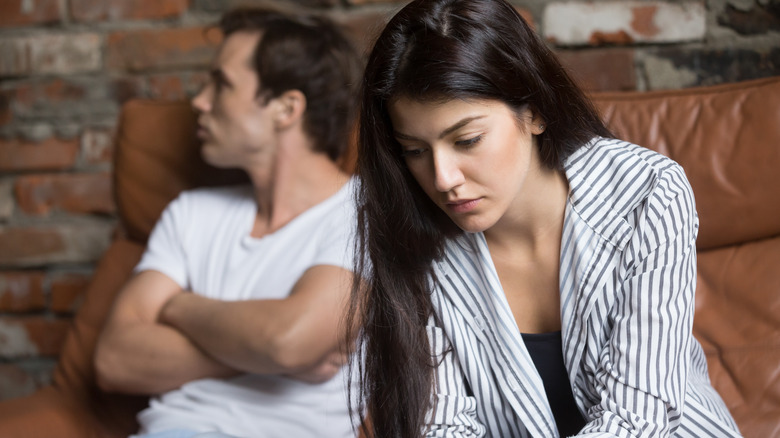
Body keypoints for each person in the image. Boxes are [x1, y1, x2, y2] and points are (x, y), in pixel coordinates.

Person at [346, 0, 743, 436]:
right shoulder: (412, 230)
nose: (443, 179)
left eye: (467, 139)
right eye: (415, 151)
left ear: (533, 111)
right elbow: (442, 426)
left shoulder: (646, 192)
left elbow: (635, 421)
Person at [94, 6, 361, 438]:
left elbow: (288, 341)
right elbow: (113, 359)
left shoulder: (364, 214)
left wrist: (176, 306)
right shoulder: (191, 212)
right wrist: (268, 356)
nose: (200, 101)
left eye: (221, 84)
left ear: (285, 108)